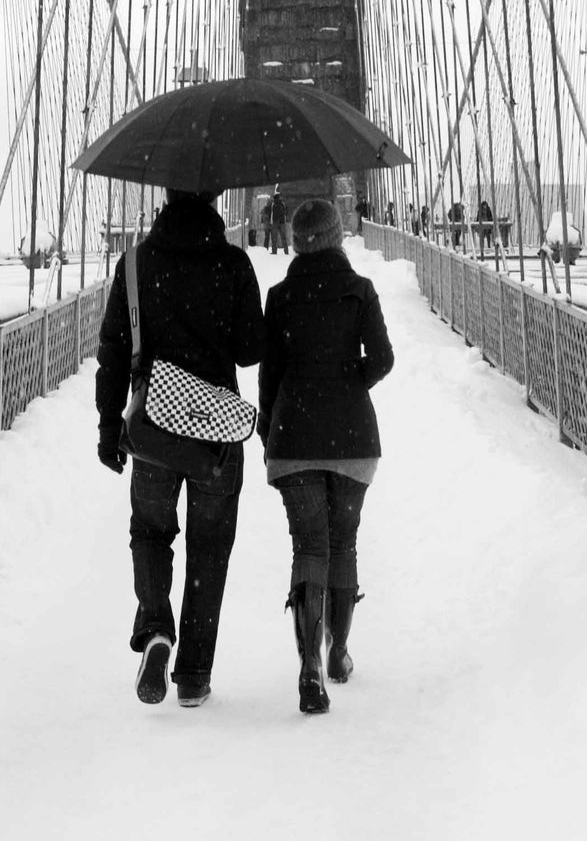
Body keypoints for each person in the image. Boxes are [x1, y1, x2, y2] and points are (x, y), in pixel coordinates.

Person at [95, 187, 265, 709]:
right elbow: (250, 350)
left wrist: (108, 428)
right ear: (214, 200)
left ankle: (155, 630)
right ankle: (193, 676)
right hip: (215, 436)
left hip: (154, 434)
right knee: (210, 550)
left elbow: (113, 353)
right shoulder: (233, 263)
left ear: (164, 198)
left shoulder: (134, 265)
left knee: (150, 531)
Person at [257, 197, 395, 716]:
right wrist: (347, 384)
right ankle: (338, 653)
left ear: (295, 242)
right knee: (344, 541)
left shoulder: (281, 297)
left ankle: (309, 666)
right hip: (354, 438)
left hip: (294, 438)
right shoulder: (359, 291)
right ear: (337, 235)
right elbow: (382, 358)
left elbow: (270, 374)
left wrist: (271, 424)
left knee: (308, 545)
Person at [267, 187, 289, 255]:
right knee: (283, 237)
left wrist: (270, 221)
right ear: (279, 197)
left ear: (274, 198)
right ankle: (286, 251)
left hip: (274, 222)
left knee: (274, 238)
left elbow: (270, 213)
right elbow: (286, 212)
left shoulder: (272, 204)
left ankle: (274, 251)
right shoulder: (283, 203)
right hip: (282, 222)